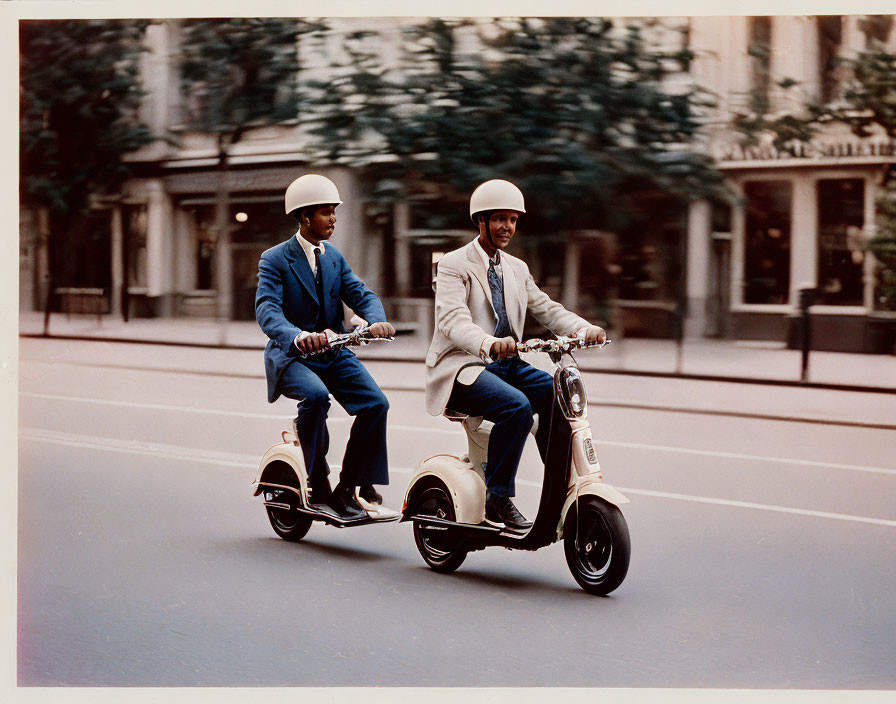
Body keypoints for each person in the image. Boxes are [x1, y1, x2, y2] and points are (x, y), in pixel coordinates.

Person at [424, 179, 606, 530]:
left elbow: (548, 309)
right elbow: (452, 321)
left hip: (506, 365)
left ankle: (560, 489)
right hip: (463, 368)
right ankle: (498, 498)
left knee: (557, 398)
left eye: (513, 220)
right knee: (516, 407)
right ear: (481, 220)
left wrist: (584, 330)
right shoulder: (452, 265)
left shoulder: (516, 268)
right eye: (499, 219)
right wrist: (488, 343)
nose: (507, 227)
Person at [256, 174, 395, 519]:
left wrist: (375, 319)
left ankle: (349, 488)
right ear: (304, 217)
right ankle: (319, 483)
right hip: (293, 356)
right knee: (317, 398)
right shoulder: (275, 259)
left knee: (376, 404)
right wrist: (297, 335)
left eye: (334, 211)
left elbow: (360, 293)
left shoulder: (333, 256)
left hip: (331, 352)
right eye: (325, 212)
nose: (333, 218)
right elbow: (267, 309)